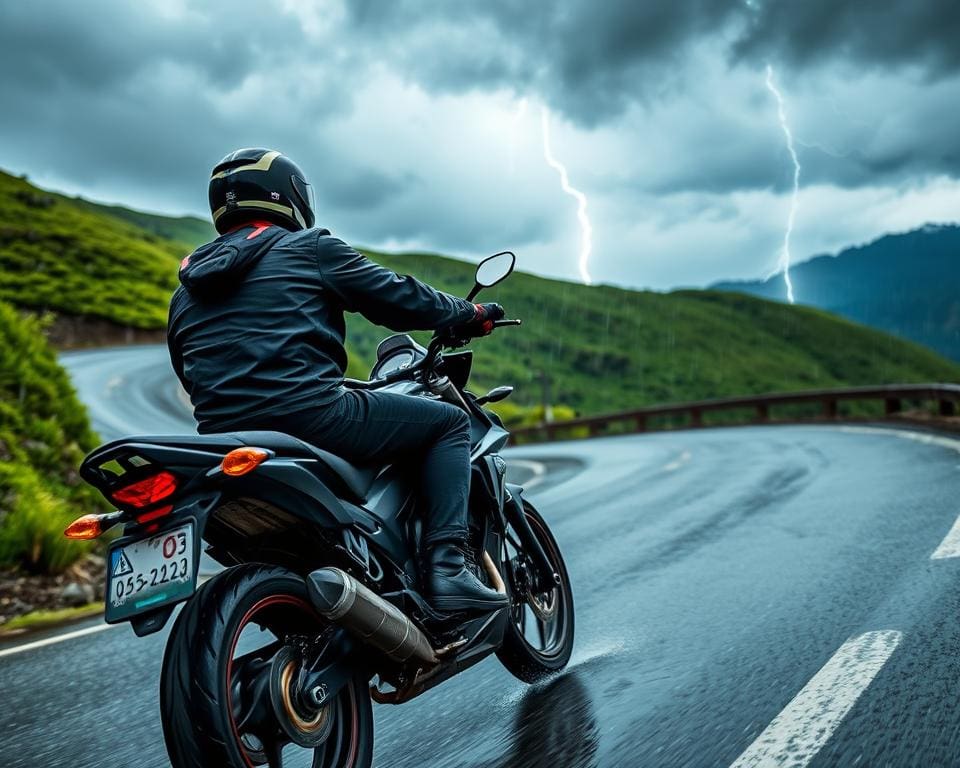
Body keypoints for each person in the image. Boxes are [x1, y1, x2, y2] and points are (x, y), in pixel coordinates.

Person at [167, 147, 508, 613]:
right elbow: (396, 296)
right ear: (287, 196)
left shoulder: (184, 293)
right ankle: (447, 569)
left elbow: (188, 372)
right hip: (311, 417)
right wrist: (469, 313)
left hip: (225, 441)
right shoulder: (309, 248)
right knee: (447, 423)